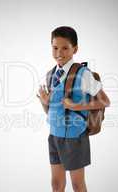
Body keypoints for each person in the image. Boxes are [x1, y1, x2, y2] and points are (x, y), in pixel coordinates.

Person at [37, 26, 110, 192]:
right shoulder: (51, 74)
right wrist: (45, 101)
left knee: (77, 185)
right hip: (54, 135)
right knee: (56, 184)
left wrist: (76, 106)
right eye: (55, 48)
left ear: (75, 49)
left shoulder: (82, 73)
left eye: (65, 48)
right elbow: (51, 111)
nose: (59, 53)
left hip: (75, 137)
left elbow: (105, 101)